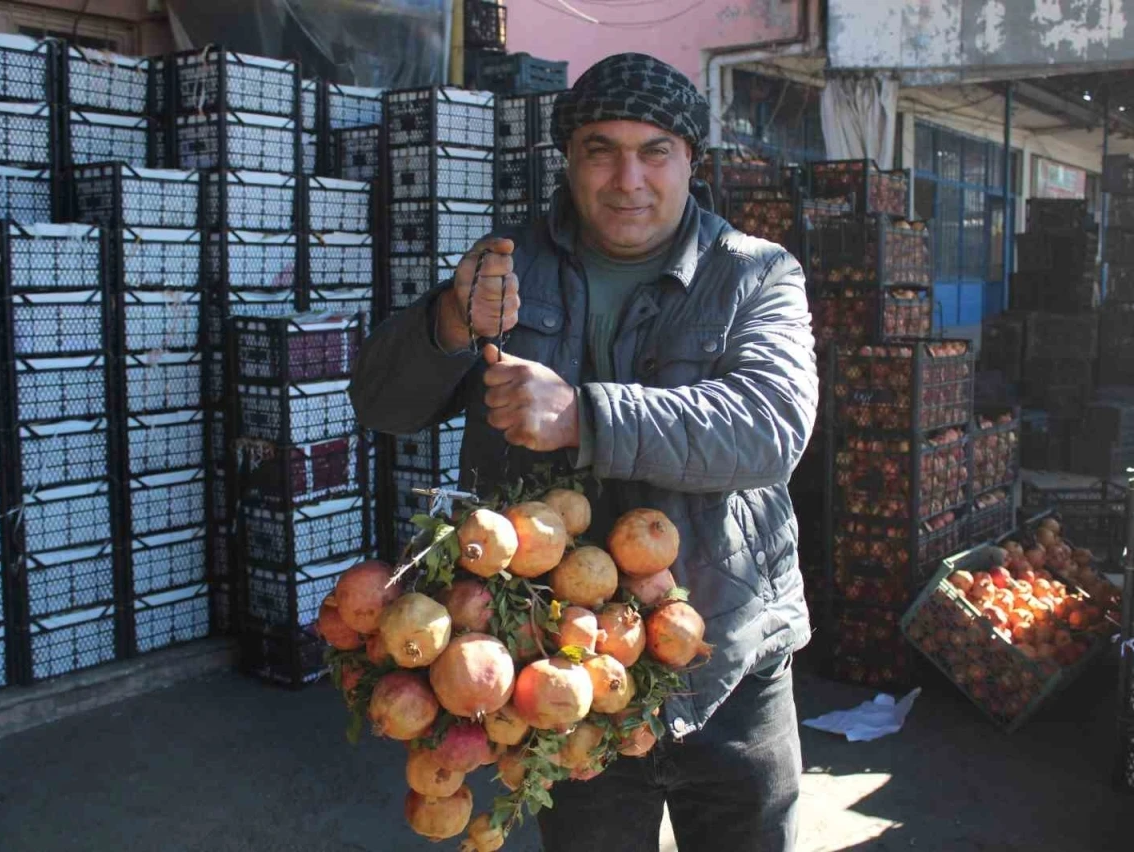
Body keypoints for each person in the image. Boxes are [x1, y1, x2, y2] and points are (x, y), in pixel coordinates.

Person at [350, 52, 817, 852]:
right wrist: (449, 324)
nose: (627, 178)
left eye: (654, 151)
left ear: (690, 162)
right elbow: (384, 406)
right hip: (557, 664)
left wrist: (582, 415)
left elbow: (771, 427)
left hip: (724, 651)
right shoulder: (508, 266)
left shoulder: (754, 273)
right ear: (567, 160)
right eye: (600, 149)